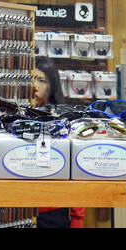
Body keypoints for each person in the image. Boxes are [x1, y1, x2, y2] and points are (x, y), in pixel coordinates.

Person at [32, 56, 82, 228]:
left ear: (51, 86)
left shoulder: (64, 120)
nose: (34, 85)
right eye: (31, 79)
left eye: (41, 80)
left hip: (54, 214)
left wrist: (77, 219)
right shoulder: (12, 120)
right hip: (18, 211)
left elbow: (76, 172)